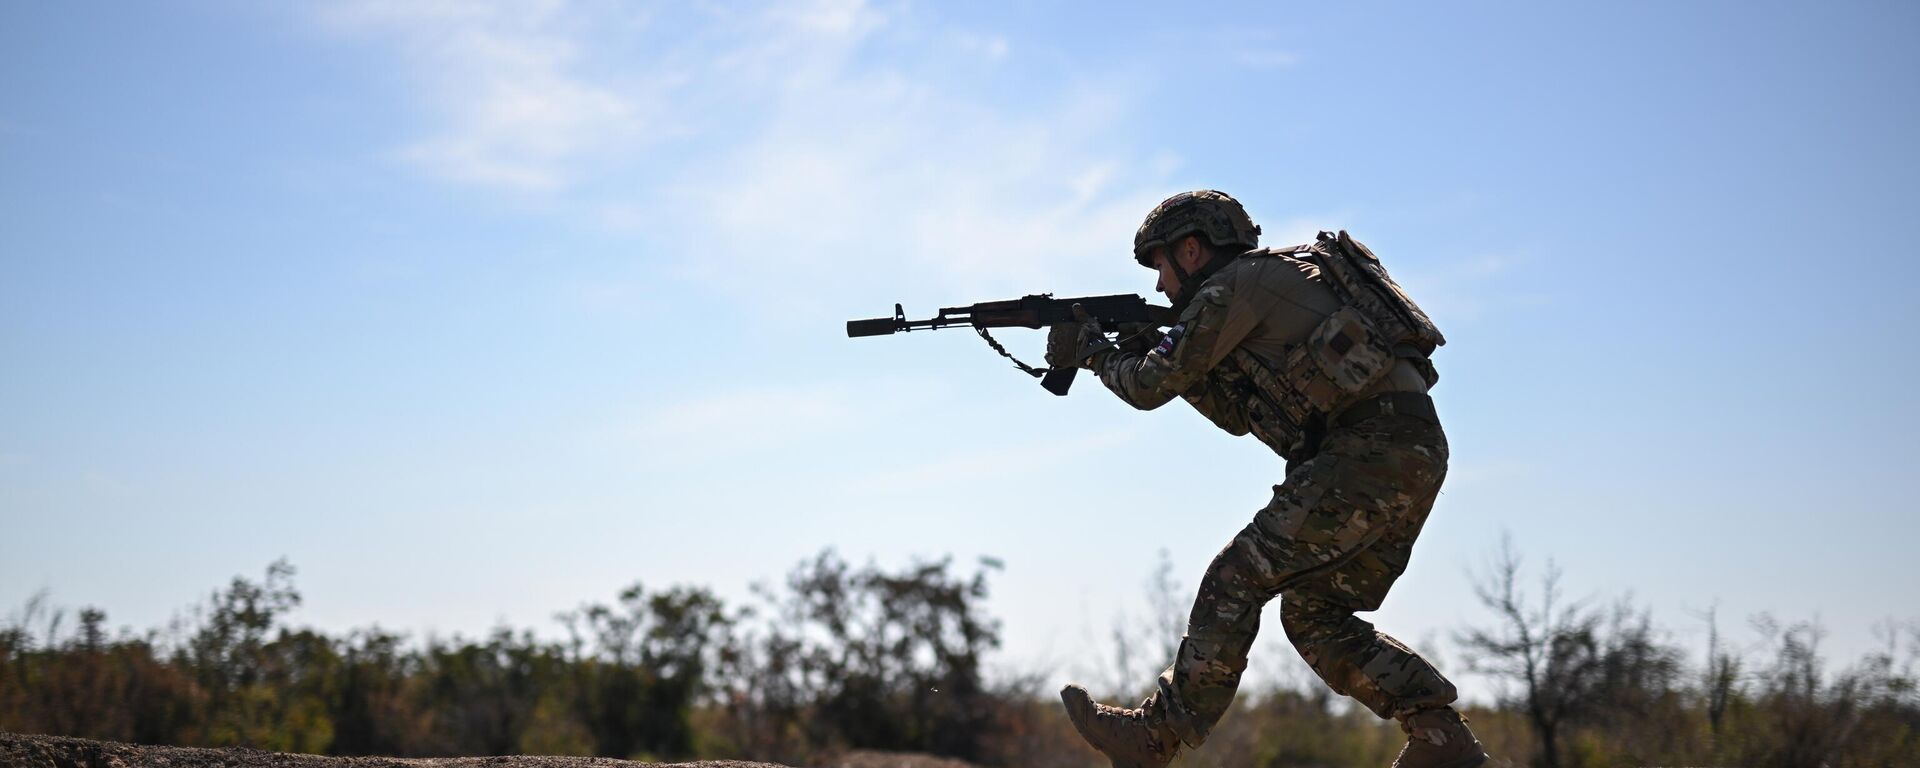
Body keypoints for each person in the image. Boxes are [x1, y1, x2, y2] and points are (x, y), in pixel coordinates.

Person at [1044, 191, 1488, 768]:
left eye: (1161, 268)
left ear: (1192, 249)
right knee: (1313, 612)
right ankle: (1440, 737)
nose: (1159, 288)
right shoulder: (1268, 281)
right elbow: (1235, 414)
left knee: (1236, 577)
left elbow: (1148, 387)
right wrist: (1142, 346)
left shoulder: (1233, 288)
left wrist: (1095, 354)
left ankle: (1156, 737)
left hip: (1367, 451)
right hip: (1409, 450)